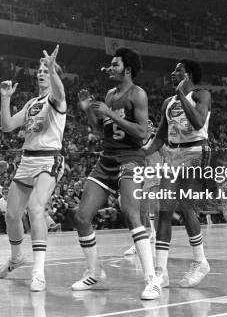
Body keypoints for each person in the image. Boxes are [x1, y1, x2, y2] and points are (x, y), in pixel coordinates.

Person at [73, 47, 161, 300]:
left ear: (127, 69)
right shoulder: (110, 94)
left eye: (114, 64)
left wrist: (110, 114)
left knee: (131, 214)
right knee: (81, 218)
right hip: (106, 159)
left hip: (131, 159)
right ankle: (95, 271)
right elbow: (102, 130)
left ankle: (152, 280)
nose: (110, 68)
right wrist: (88, 108)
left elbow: (143, 132)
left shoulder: (138, 94)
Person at [0, 45, 66, 292]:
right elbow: (7, 126)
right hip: (27, 159)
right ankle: (17, 258)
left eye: (46, 70)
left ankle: (38, 271)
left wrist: (55, 70)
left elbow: (60, 90)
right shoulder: (32, 103)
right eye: (39, 69)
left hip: (49, 159)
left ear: (54, 74)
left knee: (36, 209)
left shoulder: (56, 99)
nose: (41, 73)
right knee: (12, 215)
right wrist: (5, 98)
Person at [145, 59, 213, 288]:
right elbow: (160, 137)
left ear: (189, 74)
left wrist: (183, 96)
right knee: (165, 211)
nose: (173, 73)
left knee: (185, 207)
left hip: (196, 150)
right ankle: (161, 271)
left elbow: (197, 122)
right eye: (173, 69)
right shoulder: (168, 102)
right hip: (173, 154)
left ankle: (200, 261)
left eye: (178, 70)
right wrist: (141, 152)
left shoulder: (201, 95)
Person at [123, 120, 161, 256]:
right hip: (144, 179)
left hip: (157, 178)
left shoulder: (158, 141)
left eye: (149, 129)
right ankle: (138, 243)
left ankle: (156, 237)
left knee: (155, 208)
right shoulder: (137, 144)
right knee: (140, 212)